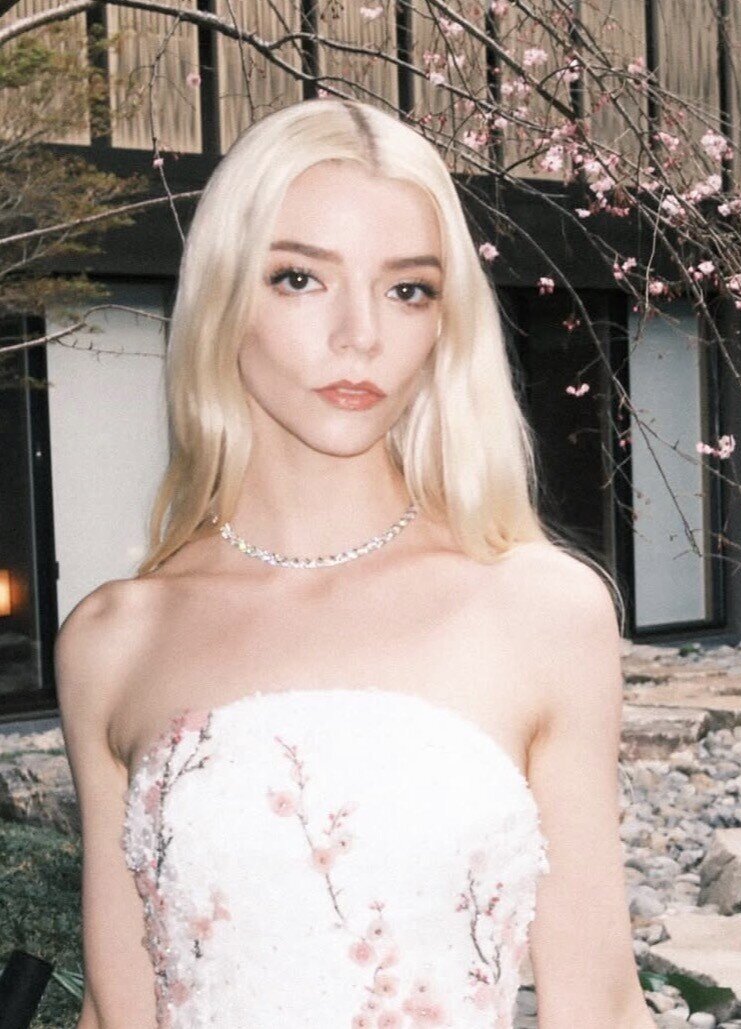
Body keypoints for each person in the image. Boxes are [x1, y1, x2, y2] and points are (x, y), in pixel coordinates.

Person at [55, 97, 658, 1028]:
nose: (360, 336)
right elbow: (115, 1009)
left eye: (407, 289)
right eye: (299, 278)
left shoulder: (540, 609)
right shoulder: (115, 637)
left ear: (446, 321)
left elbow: (602, 1007)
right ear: (223, 296)